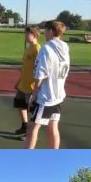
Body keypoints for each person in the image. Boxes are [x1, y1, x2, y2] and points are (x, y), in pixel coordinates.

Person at [25, 20, 70, 149]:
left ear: (50, 31)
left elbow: (41, 75)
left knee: (32, 129)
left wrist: (34, 95)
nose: (44, 33)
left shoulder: (46, 48)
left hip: (46, 96)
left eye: (46, 30)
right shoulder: (65, 47)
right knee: (52, 128)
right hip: (58, 94)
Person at [14, 27, 42, 140]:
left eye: (27, 34)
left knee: (31, 110)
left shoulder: (38, 49)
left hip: (31, 86)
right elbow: (25, 67)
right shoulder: (28, 48)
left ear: (34, 35)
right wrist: (19, 80)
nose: (25, 36)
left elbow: (39, 69)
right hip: (23, 84)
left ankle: (29, 133)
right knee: (20, 105)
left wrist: (36, 85)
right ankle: (24, 126)